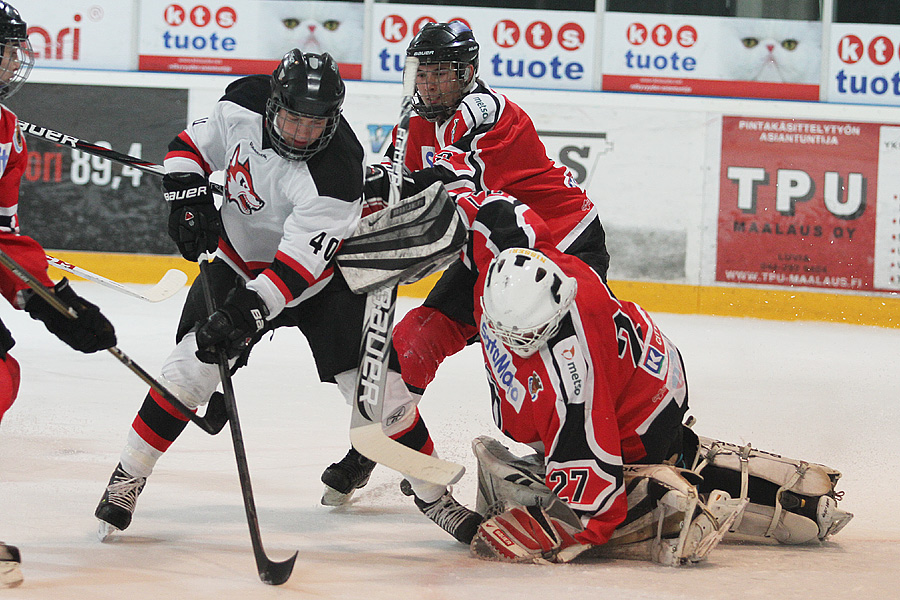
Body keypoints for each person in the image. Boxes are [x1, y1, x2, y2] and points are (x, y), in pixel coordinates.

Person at [91, 49, 429, 540]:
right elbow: (188, 145)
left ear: (334, 120)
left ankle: (436, 495)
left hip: (319, 284)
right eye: (293, 118)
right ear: (274, 105)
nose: (301, 134)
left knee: (380, 396)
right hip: (234, 261)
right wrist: (186, 195)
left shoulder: (338, 173)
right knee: (187, 372)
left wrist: (244, 314)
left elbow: (295, 269)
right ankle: (127, 476)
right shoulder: (243, 103)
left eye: (316, 124)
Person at [449, 192, 852, 564]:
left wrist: (547, 527)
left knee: (603, 484)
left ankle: (665, 501)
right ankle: (740, 479)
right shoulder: (546, 266)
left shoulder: (572, 373)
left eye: (527, 335)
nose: (515, 343)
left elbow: (592, 510)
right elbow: (495, 210)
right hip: (653, 376)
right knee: (667, 447)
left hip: (641, 416)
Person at [321, 20, 611, 514]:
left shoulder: (489, 110)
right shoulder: (413, 123)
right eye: (423, 72)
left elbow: (456, 178)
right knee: (412, 343)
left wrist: (394, 187)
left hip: (559, 248)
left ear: (468, 72)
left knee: (544, 365)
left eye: (441, 73)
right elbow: (401, 188)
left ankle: (569, 459)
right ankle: (373, 445)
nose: (429, 83)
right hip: (488, 253)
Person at [0, 1, 117, 587]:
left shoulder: (5, 132)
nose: (15, 61)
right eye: (7, 48)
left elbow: (3, 236)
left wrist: (53, 304)